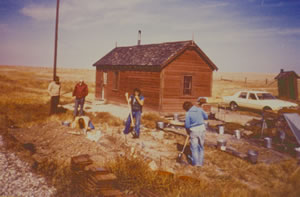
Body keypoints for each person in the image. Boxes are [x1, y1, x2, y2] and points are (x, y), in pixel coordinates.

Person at [183, 101, 208, 167]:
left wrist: (188, 132)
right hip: (202, 129)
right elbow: (206, 117)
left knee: (194, 148)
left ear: (186, 108)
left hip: (194, 130)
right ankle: (200, 163)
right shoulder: (199, 109)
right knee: (201, 147)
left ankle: (196, 164)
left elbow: (187, 125)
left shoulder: (188, 113)